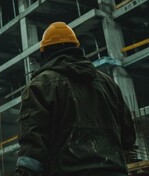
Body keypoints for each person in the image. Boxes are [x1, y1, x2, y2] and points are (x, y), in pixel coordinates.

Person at [15, 22, 136, 176]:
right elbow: (128, 139)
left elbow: (32, 150)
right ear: (77, 48)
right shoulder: (108, 84)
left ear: (45, 53)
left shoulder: (40, 85)